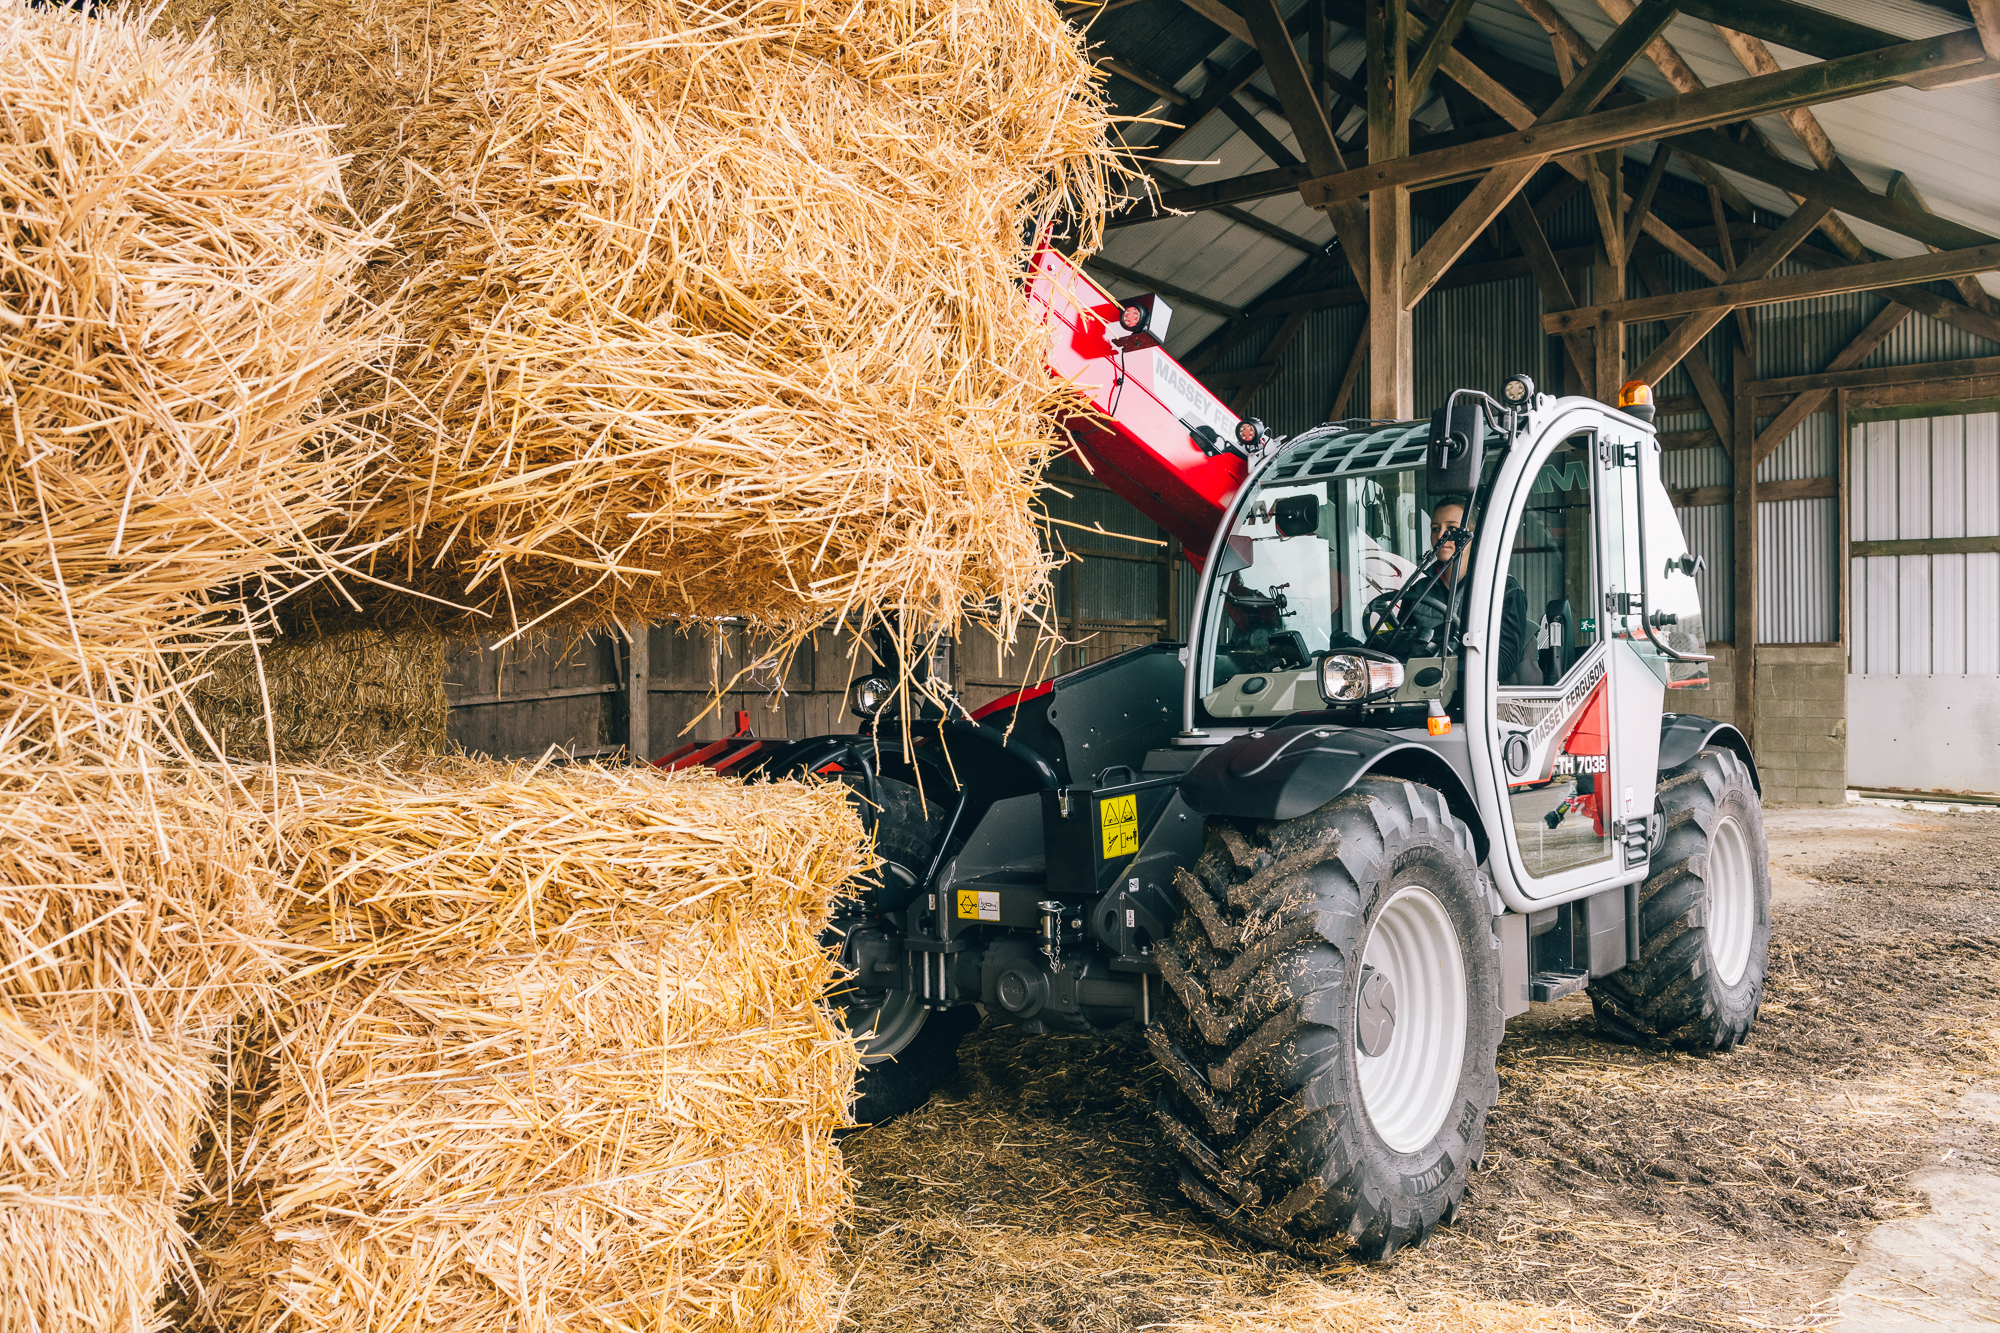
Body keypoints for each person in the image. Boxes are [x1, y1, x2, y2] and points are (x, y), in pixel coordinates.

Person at [1422, 496, 1532, 684]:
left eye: (1452, 529)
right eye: (1435, 528)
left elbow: (1504, 662)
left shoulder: (1502, 590)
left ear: (1473, 534)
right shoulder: (1418, 592)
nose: (1441, 536)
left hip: (1478, 701)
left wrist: (1438, 667)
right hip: (1420, 699)